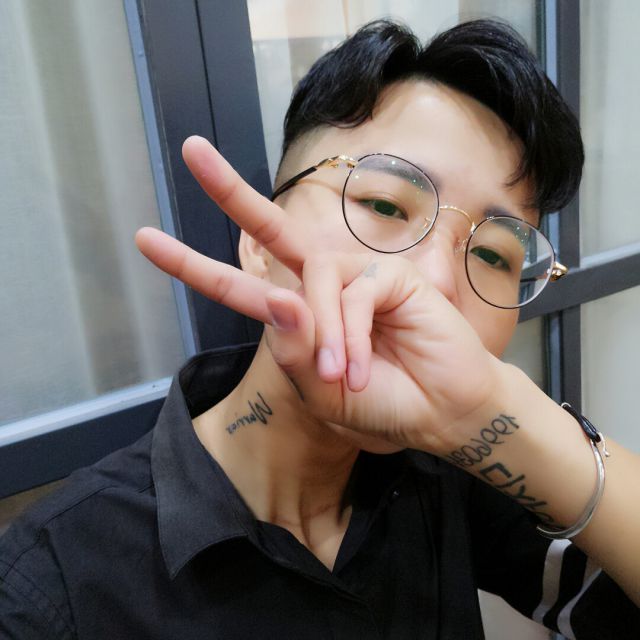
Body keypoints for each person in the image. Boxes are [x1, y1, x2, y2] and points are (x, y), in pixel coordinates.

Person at [1, 18, 639, 639]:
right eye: (385, 205)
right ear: (258, 243)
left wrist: (494, 416)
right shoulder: (52, 587)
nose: (434, 285)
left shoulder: (456, 469)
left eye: (495, 255)